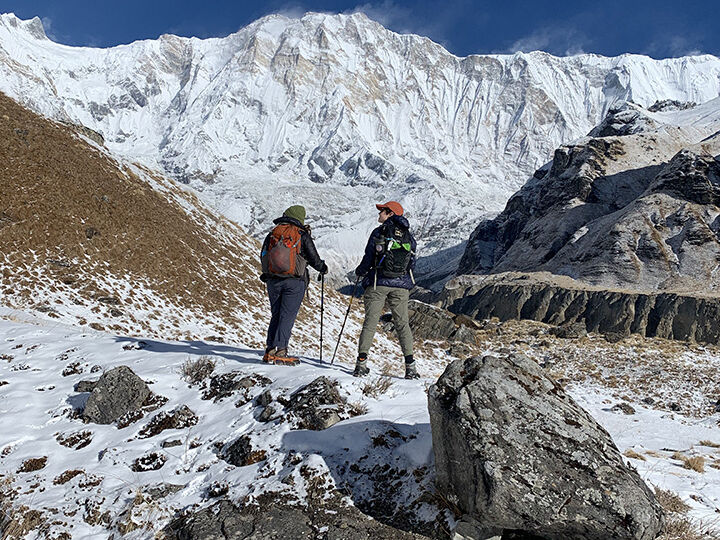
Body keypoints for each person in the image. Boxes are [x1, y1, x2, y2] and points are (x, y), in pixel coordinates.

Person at [353, 201, 418, 379]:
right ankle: (410, 367)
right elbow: (412, 263)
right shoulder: (408, 236)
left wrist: (361, 271)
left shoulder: (379, 232)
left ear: (390, 213)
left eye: (382, 211)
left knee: (371, 322)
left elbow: (369, 257)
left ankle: (361, 363)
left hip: (378, 283)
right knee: (402, 324)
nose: (379, 214)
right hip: (401, 286)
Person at [260, 205, 327, 365]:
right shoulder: (301, 234)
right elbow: (313, 258)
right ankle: (281, 351)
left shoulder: (273, 234)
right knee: (287, 316)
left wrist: (267, 274)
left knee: (276, 314)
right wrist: (322, 268)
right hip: (294, 282)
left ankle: (269, 351)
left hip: (273, 280)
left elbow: (263, 254)